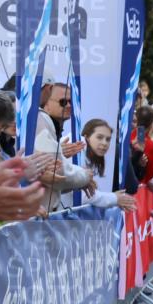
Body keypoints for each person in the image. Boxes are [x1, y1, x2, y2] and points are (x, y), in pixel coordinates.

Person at [35, 82, 91, 210]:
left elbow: (54, 180)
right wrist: (84, 176)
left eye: (72, 101)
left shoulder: (55, 131)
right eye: (63, 102)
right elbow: (56, 173)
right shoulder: (41, 123)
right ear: (47, 103)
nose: (69, 106)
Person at [81, 119, 136, 211]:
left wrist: (114, 199)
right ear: (86, 137)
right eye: (99, 137)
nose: (104, 143)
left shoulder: (89, 154)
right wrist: (115, 199)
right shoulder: (77, 152)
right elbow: (81, 196)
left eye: (108, 139)